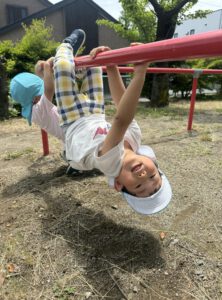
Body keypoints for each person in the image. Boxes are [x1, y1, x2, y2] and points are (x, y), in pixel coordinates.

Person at [53, 29, 172, 215]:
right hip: (95, 114)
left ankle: (66, 44)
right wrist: (111, 65)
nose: (143, 176)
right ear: (155, 165)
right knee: (94, 66)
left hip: (73, 121)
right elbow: (120, 103)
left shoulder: (111, 165)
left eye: (139, 186)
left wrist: (140, 73)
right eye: (153, 177)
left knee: (61, 65)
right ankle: (82, 58)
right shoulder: (135, 139)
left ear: (118, 184)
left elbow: (121, 120)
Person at [9, 58, 64, 142]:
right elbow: (49, 89)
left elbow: (43, 82)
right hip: (74, 137)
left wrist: (39, 70)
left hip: (69, 137)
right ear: (34, 98)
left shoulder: (34, 109)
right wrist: (46, 66)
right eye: (40, 91)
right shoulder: (39, 110)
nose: (42, 92)